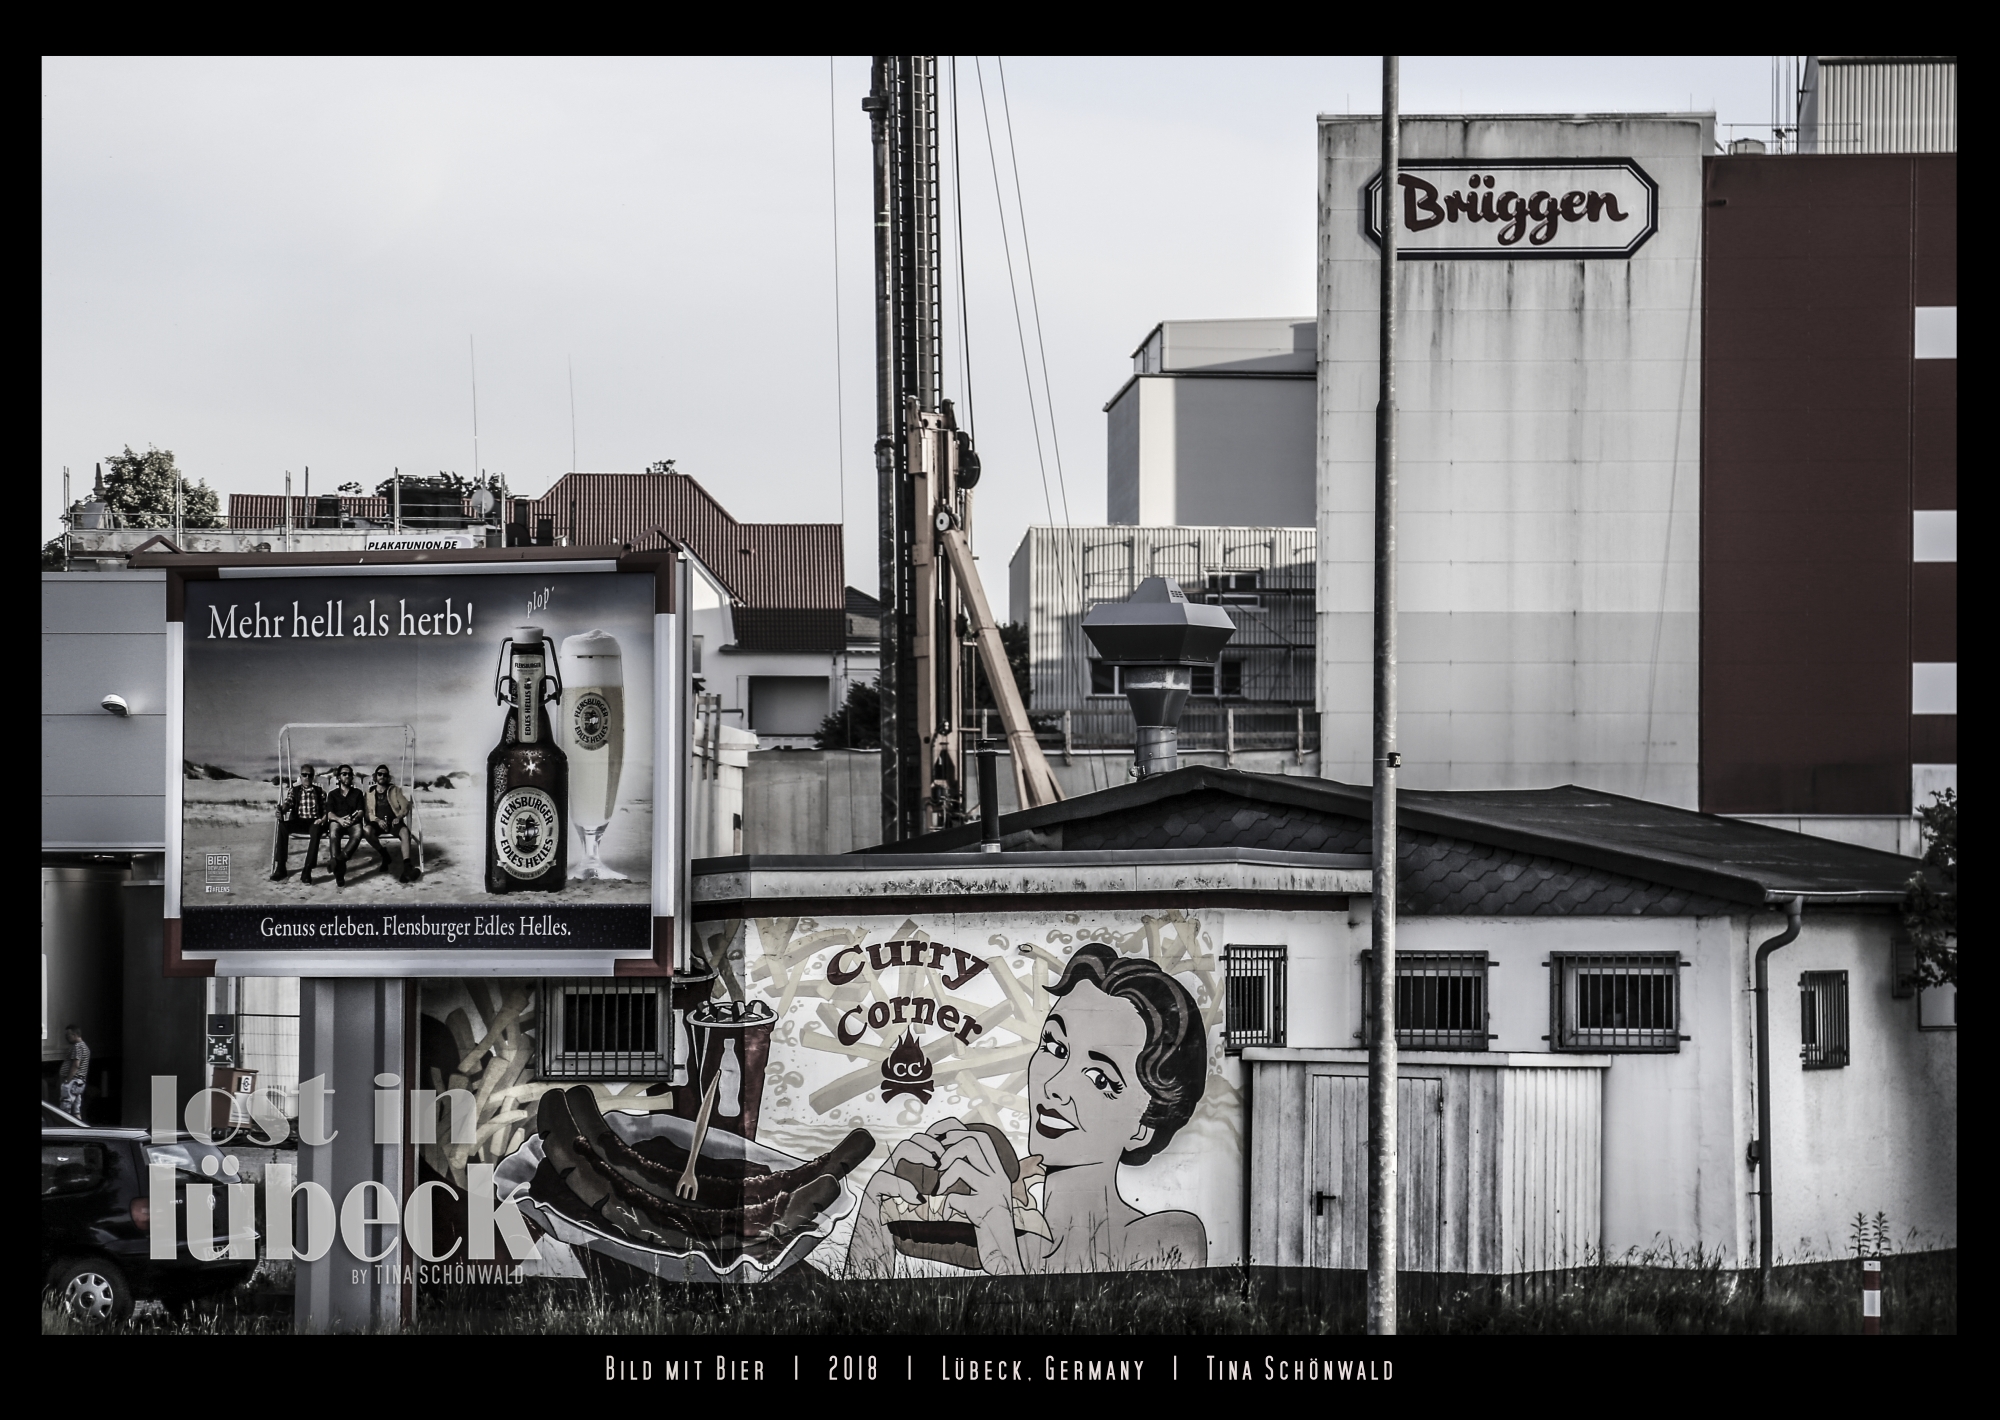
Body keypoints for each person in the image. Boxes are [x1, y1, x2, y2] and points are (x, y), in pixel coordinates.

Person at [848, 943, 1209, 1276]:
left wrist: (1001, 1252)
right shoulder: (1010, 1240)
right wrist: (872, 1219)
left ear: (1141, 1128)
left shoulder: (1168, 1237)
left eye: (1100, 1077)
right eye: (1055, 1047)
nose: (1054, 1086)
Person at [270, 763, 328, 884]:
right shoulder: (294, 790)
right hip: (299, 820)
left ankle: (307, 869)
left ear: (313, 777)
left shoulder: (319, 791)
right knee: (283, 826)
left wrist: (322, 819)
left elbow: (325, 810)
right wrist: (282, 810)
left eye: (310, 775)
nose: (307, 777)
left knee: (317, 830)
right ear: (300, 777)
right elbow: (288, 803)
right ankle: (281, 867)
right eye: (304, 775)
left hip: (314, 821)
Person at [363, 764, 420, 883]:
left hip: (394, 821)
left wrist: (399, 816)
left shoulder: (395, 790)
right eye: (380, 774)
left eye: (385, 775)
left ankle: (407, 867)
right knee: (367, 831)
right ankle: (384, 855)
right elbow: (368, 813)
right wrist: (377, 820)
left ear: (388, 777)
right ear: (375, 776)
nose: (382, 776)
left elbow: (405, 806)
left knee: (405, 832)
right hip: (377, 823)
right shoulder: (369, 793)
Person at [323, 765, 367, 887]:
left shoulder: (357, 793)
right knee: (333, 833)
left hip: (353, 822)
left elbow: (361, 811)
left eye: (349, 774)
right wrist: (340, 820)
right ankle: (339, 874)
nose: (347, 776)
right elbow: (330, 814)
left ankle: (337, 860)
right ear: (338, 777)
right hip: (337, 821)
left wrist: (353, 820)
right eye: (344, 774)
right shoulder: (332, 794)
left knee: (358, 832)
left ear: (352, 777)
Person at [59, 1025, 90, 1122]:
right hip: (79, 1082)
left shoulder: (77, 1046)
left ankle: (63, 1129)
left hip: (73, 1081)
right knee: (76, 1111)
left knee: (65, 1107)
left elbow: (76, 1064)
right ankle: (81, 1129)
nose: (67, 1038)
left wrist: (68, 1080)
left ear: (75, 1034)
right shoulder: (85, 1047)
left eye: (68, 1035)